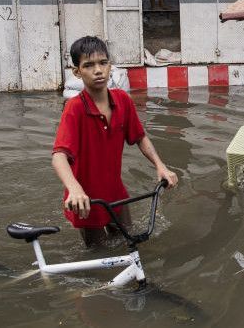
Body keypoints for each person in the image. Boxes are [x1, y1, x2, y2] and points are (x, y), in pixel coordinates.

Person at [52, 36, 178, 247]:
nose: (98, 70)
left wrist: (160, 166)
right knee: (98, 251)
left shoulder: (123, 100)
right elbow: (59, 156)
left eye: (103, 63)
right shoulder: (75, 109)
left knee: (128, 241)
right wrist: (74, 189)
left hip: (116, 193)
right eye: (88, 65)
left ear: (110, 65)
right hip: (86, 200)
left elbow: (140, 137)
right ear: (77, 72)